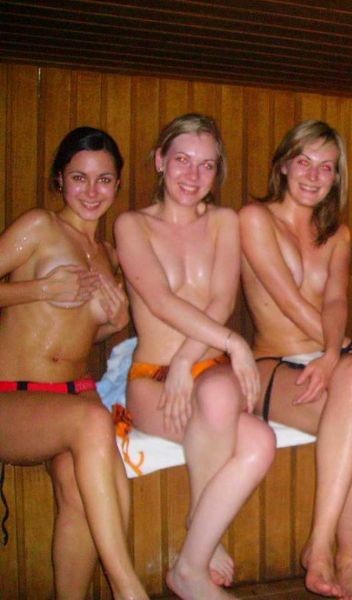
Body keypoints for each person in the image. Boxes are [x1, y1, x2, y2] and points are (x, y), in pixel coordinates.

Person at [115, 113, 275, 600]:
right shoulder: (132, 225)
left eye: (206, 165)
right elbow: (160, 300)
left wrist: (187, 361)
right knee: (239, 417)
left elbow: (222, 299)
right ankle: (202, 543)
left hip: (204, 371)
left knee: (260, 440)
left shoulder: (224, 221)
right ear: (160, 161)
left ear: (217, 171)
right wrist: (233, 343)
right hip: (152, 379)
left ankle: (190, 562)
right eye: (182, 160)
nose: (192, 175)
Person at [239, 120, 352, 600]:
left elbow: (335, 301)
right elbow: (287, 301)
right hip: (273, 365)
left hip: (326, 354)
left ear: (336, 177)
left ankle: (342, 557)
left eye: (326, 167)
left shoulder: (338, 234)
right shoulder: (254, 218)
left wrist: (335, 353)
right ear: (284, 165)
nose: (313, 175)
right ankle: (327, 550)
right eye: (304, 162)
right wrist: (347, 351)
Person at [0, 127, 147, 599]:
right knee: (93, 422)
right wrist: (39, 288)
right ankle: (127, 589)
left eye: (104, 179)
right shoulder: (39, 227)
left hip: (69, 399)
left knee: (80, 490)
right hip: (11, 397)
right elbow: (41, 301)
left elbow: (75, 332)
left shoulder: (105, 256)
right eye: (79, 177)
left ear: (117, 184)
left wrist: (115, 324)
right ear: (59, 179)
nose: (91, 191)